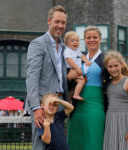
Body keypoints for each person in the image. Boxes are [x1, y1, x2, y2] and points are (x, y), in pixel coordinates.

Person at [67, 26, 128, 150]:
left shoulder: (106, 59)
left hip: (96, 108)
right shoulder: (76, 58)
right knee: (75, 144)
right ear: (84, 40)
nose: (92, 40)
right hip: (76, 110)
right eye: (88, 37)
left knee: (94, 144)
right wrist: (68, 77)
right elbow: (67, 84)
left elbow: (121, 79)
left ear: (100, 39)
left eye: (95, 37)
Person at [24, 5, 68, 150]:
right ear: (49, 21)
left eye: (63, 23)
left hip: (60, 104)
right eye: (57, 22)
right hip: (43, 105)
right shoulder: (38, 44)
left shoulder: (64, 47)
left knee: (58, 144)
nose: (60, 26)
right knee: (41, 146)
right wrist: (36, 107)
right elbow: (32, 77)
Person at [103, 51, 128, 150]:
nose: (113, 69)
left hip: (127, 122)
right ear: (107, 68)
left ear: (122, 65)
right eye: (110, 66)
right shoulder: (107, 84)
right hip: (111, 122)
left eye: (116, 65)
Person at [63, 31, 92, 101]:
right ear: (66, 43)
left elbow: (82, 56)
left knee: (76, 85)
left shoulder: (77, 51)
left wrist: (87, 61)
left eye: (77, 41)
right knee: (80, 81)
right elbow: (69, 60)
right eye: (72, 41)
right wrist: (77, 68)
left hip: (76, 69)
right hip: (70, 69)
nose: (75, 42)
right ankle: (74, 95)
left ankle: (73, 97)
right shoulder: (67, 50)